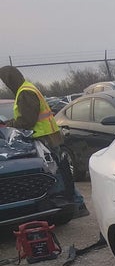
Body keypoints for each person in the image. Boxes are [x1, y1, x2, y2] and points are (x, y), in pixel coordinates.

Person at [0, 65, 87, 217]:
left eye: (4, 80)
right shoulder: (27, 89)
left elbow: (27, 121)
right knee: (61, 170)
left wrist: (8, 125)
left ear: (9, 80)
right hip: (49, 136)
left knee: (56, 172)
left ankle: (73, 204)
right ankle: (75, 203)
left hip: (45, 138)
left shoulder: (25, 93)